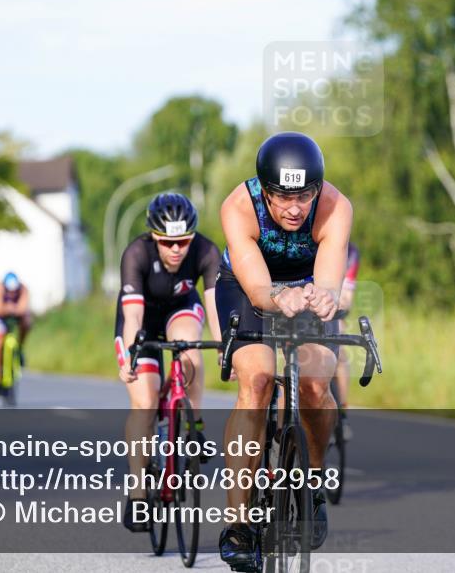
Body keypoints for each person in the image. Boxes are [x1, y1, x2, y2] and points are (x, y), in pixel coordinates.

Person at [215, 131, 352, 570]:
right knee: (256, 379)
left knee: (315, 382)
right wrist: (275, 297)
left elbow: (328, 278)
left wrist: (325, 296)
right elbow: (257, 288)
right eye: (283, 196)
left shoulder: (335, 206)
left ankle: (310, 485)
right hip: (247, 286)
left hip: (306, 286)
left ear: (317, 188)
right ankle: (238, 525)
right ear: (264, 190)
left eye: (305, 196)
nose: (295, 208)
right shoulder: (239, 208)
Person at [114, 192, 222, 532]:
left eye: (183, 242)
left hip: (180, 311)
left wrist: (222, 347)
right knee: (145, 404)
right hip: (141, 320)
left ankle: (195, 425)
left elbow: (215, 307)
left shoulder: (206, 251)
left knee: (190, 347)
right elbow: (132, 316)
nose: (176, 250)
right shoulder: (136, 253)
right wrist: (132, 353)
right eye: (167, 242)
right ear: (153, 237)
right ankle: (137, 494)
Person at [0, 272, 32, 399]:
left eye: (14, 291)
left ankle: (20, 348)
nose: (12, 294)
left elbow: (23, 308)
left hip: (14, 314)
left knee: (27, 322)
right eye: (9, 291)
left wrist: (11, 309)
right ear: (5, 287)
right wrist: (11, 308)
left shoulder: (23, 289)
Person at [332, 242, 360, 439]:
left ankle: (342, 412)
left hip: (331, 307)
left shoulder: (350, 252)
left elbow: (346, 298)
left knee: (340, 351)